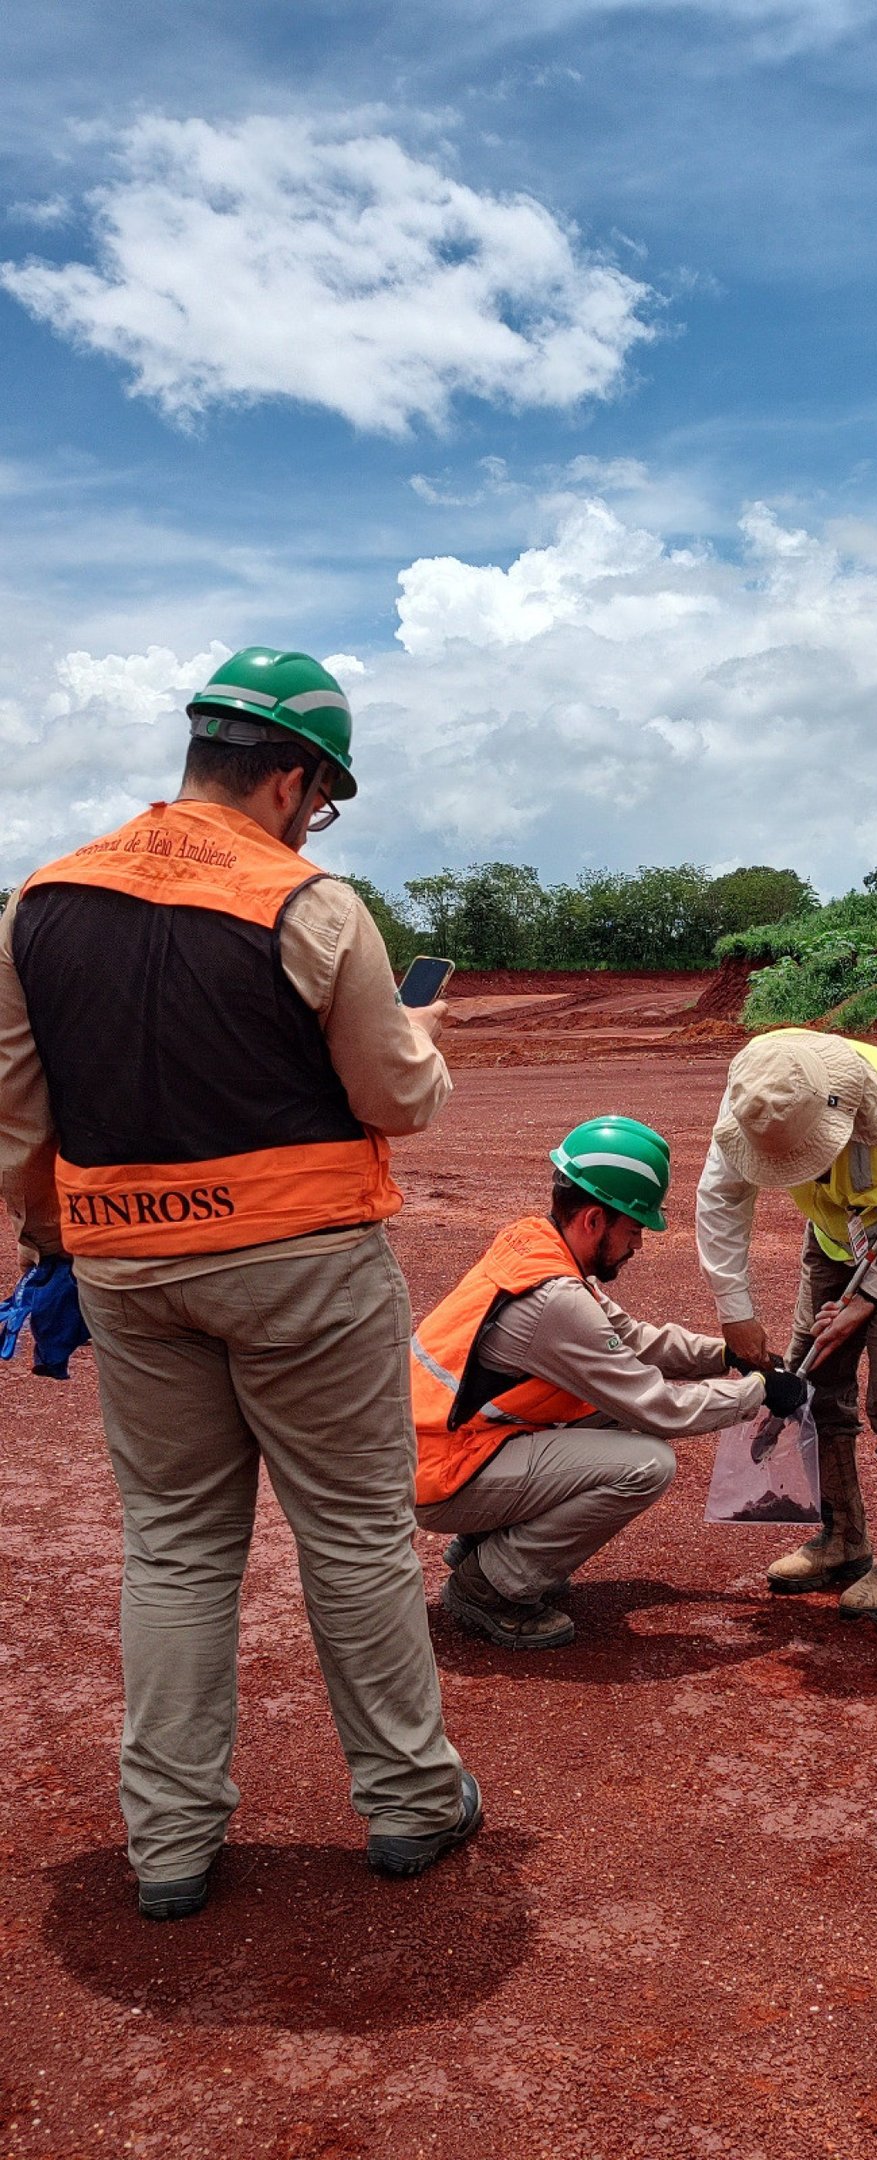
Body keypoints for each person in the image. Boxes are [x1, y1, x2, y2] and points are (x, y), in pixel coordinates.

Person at [0, 648, 479, 1922]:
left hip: (124, 1268)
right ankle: (411, 1803)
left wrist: (60, 1240)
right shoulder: (309, 905)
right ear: (292, 777)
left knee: (174, 1548)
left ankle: (168, 1844)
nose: (315, 815)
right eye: (320, 796)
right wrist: (423, 1046)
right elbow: (396, 1098)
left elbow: (15, 1112)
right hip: (301, 1272)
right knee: (356, 1537)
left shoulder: (38, 901)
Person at [413, 1116, 804, 1648]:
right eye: (636, 1226)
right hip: (443, 1477)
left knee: (607, 1415)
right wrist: (757, 1393)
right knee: (645, 1464)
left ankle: (488, 1540)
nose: (639, 1243)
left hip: (446, 1449)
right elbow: (657, 1408)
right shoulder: (556, 1301)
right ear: (595, 1220)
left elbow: (632, 1339)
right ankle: (491, 1585)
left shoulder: (535, 1245)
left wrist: (727, 1356)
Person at [695, 1028, 877, 1619]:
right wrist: (737, 1317)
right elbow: (720, 1201)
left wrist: (865, 1301)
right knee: (812, 1373)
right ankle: (843, 1538)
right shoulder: (754, 1099)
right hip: (837, 1232)